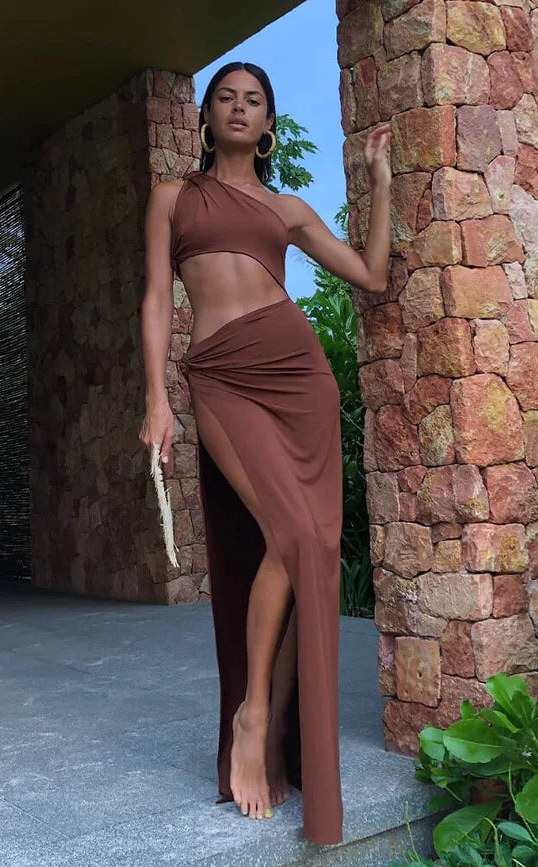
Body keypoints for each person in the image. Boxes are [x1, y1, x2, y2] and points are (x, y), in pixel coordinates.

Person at [139, 61, 390, 846]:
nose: (239, 109)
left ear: (268, 122)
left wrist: (379, 183)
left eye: (253, 100)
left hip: (298, 376)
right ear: (207, 117)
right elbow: (155, 296)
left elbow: (369, 275)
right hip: (219, 374)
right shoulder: (172, 197)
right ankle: (251, 714)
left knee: (307, 547)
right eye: (226, 98)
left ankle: (268, 722)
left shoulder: (285, 206)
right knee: (288, 537)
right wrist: (155, 398)